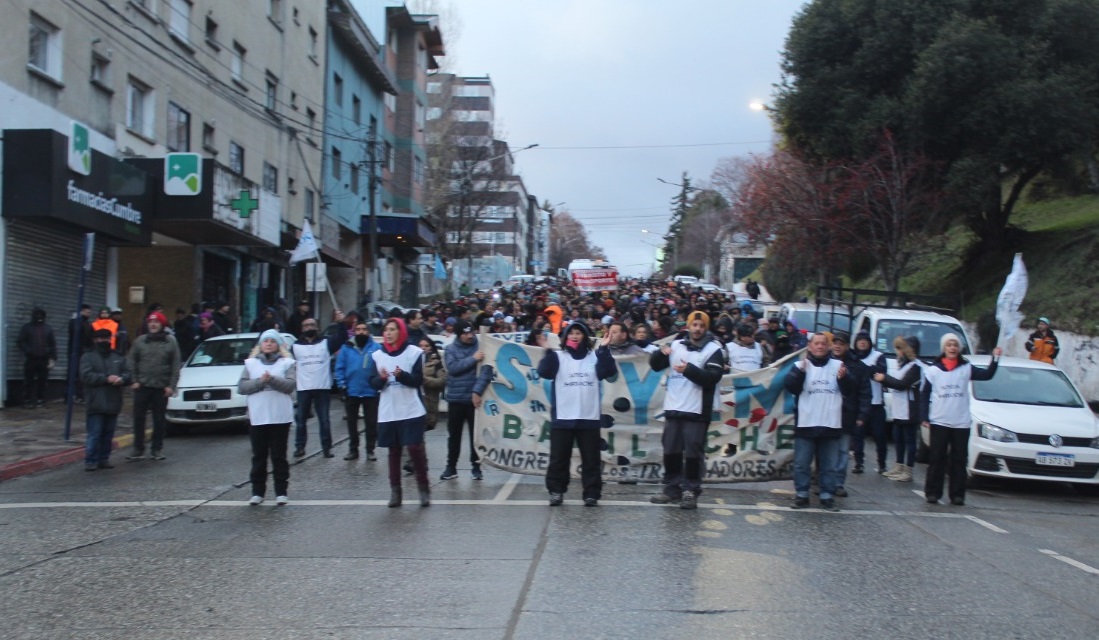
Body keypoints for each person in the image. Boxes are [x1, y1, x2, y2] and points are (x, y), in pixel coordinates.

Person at [648, 310, 726, 509]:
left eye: (701, 326)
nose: (697, 329)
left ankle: (691, 490)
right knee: (671, 450)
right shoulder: (675, 345)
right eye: (694, 325)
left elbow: (712, 378)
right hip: (674, 408)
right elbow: (655, 365)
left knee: (692, 453)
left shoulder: (713, 350)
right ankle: (671, 488)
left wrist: (689, 370)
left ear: (705, 328)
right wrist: (660, 353)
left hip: (697, 411)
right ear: (688, 326)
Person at [920, 334, 1001, 506]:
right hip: (940, 420)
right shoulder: (933, 370)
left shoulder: (966, 368)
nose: (952, 348)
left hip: (961, 421)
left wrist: (995, 358)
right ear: (944, 348)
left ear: (959, 349)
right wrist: (924, 416)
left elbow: (987, 375)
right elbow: (924, 393)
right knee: (937, 458)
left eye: (955, 345)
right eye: (949, 345)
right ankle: (933, 492)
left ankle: (957, 494)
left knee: (959, 459)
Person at [784, 332, 856, 511]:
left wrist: (845, 378)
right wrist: (800, 374)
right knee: (802, 463)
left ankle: (827, 496)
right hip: (806, 423)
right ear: (809, 346)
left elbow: (850, 390)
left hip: (830, 423)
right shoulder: (800, 365)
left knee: (828, 465)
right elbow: (791, 387)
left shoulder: (839, 366)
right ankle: (801, 494)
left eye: (823, 344)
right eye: (816, 344)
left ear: (828, 346)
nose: (820, 346)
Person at [368, 318, 430, 508]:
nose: (388, 333)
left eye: (392, 329)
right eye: (386, 330)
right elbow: (372, 382)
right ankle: (396, 491)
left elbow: (418, 380)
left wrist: (402, 375)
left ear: (401, 332)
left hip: (411, 409)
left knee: (414, 448)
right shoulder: (377, 355)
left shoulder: (414, 353)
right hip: (389, 410)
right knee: (393, 451)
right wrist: (382, 379)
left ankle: (424, 488)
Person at [239, 329, 297, 506]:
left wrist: (271, 379)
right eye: (266, 341)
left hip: (280, 417)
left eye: (273, 341)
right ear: (260, 345)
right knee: (259, 455)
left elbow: (290, 385)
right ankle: (257, 491)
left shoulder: (287, 363)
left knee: (279, 455)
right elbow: (242, 387)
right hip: (258, 417)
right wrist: (260, 382)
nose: (269, 344)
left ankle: (281, 491)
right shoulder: (250, 364)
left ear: (278, 345)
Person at [125, 311, 181, 461]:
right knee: (138, 418)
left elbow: (175, 366)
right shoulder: (140, 341)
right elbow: (131, 362)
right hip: (142, 386)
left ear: (162, 325)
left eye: (156, 322)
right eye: (150, 322)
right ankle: (138, 448)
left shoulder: (170, 341)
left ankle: (157, 448)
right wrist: (134, 380)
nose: (153, 325)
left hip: (161, 388)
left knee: (159, 420)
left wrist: (171, 386)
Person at [291, 312, 346, 458]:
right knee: (301, 419)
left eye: (312, 325)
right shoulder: (295, 346)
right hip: (303, 388)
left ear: (317, 327)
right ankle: (300, 447)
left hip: (322, 387)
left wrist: (340, 323)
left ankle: (327, 448)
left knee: (324, 419)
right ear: (302, 329)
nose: (309, 327)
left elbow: (342, 338)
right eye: (306, 325)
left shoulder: (326, 343)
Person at [441, 319, 488, 481]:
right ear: (458, 335)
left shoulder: (482, 348)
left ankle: (476, 466)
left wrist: (477, 390)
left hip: (474, 400)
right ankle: (451, 466)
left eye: (471, 332)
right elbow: (453, 368)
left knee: (475, 436)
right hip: (455, 399)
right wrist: (473, 359)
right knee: (454, 435)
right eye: (465, 333)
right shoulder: (450, 350)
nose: (470, 336)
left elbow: (486, 372)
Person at [80, 329, 132, 471]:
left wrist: (121, 379)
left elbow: (128, 373)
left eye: (107, 338)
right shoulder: (88, 356)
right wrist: (105, 379)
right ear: (95, 340)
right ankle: (91, 460)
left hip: (113, 401)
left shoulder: (117, 356)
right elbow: (86, 376)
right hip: (96, 401)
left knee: (108, 434)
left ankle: (104, 459)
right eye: (101, 338)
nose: (104, 341)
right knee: (95, 433)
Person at [875, 336, 923, 482]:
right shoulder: (901, 366)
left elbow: (902, 384)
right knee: (898, 438)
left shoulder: (916, 367)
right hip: (898, 409)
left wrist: (884, 378)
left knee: (909, 440)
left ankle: (908, 470)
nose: (898, 352)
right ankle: (899, 465)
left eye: (901, 349)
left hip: (910, 410)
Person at [334, 319, 381, 461]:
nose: (361, 332)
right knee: (352, 423)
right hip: (351, 390)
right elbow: (339, 368)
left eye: (364, 329)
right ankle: (353, 449)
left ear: (368, 331)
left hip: (370, 391)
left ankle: (370, 450)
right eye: (358, 329)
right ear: (354, 332)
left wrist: (379, 384)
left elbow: (381, 367)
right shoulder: (346, 348)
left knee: (371, 423)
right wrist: (341, 385)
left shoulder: (376, 347)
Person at [830, 331, 870, 498]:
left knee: (842, 450)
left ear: (847, 346)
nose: (838, 346)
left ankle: (838, 483)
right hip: (827, 412)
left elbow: (865, 393)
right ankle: (824, 481)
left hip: (847, 413)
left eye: (841, 343)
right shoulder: (822, 362)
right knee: (826, 450)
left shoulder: (858, 367)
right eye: (835, 343)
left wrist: (862, 415)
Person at [17, 308, 57, 407]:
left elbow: (52, 344)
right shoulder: (27, 327)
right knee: (29, 380)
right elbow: (21, 341)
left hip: (44, 358)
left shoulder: (47, 328)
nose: (39, 317)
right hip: (31, 358)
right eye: (37, 315)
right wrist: (28, 351)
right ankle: (28, 400)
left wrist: (52, 358)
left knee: (42, 380)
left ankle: (41, 399)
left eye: (41, 315)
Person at [418, 337, 447, 433]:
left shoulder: (436, 363)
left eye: (426, 346)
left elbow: (443, 380)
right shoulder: (411, 361)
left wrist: (424, 380)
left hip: (429, 404)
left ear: (431, 348)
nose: (423, 348)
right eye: (421, 346)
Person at [68, 304, 94, 403]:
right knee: (73, 374)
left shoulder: (87, 324)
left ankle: (80, 395)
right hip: (75, 352)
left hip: (83, 352)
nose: (89, 314)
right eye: (87, 312)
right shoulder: (75, 323)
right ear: (82, 312)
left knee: (81, 375)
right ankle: (71, 395)